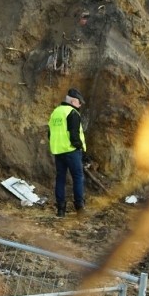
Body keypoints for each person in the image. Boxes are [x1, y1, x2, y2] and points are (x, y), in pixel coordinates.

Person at [48, 88, 87, 217]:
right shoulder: (72, 112)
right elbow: (74, 135)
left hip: (58, 152)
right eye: (79, 102)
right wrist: (79, 147)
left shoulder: (55, 112)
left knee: (60, 179)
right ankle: (79, 208)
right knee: (78, 178)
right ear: (74, 101)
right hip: (71, 151)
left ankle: (60, 210)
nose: (80, 105)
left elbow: (50, 133)